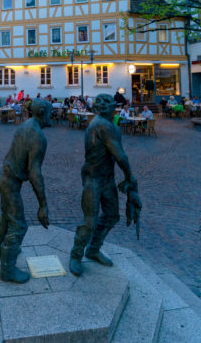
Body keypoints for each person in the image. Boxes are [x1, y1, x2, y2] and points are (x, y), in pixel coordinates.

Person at [69, 94, 140, 277]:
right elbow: (120, 155)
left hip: (107, 178)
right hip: (93, 177)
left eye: (109, 104)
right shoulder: (101, 124)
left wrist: (127, 177)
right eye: (102, 105)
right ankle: (76, 255)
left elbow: (119, 153)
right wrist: (130, 177)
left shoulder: (113, 126)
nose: (106, 108)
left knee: (112, 215)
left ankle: (93, 249)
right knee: (90, 220)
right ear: (99, 108)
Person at [0, 100, 51, 283]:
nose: (53, 113)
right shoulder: (38, 136)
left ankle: (2, 251)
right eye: (50, 110)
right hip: (10, 182)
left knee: (7, 217)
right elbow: (35, 173)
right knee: (19, 225)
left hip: (4, 177)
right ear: (43, 111)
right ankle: (7, 269)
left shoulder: (26, 125)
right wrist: (42, 205)